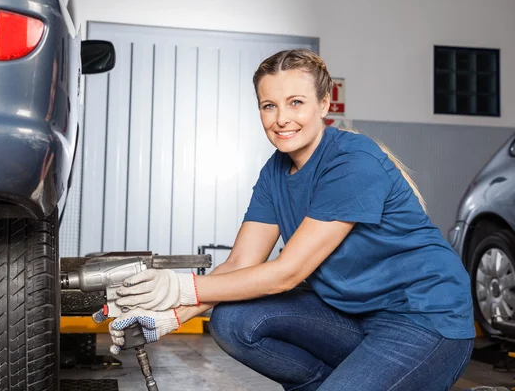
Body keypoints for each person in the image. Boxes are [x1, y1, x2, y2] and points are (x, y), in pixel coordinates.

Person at [108, 48, 475, 390]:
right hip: (350, 318)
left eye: (295, 103)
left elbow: (288, 272)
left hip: (424, 318)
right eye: (269, 106)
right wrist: (170, 315)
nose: (281, 119)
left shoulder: (353, 160)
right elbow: (239, 263)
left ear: (324, 103)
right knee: (234, 322)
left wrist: (181, 287)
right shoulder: (275, 172)